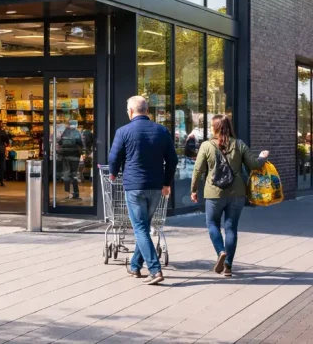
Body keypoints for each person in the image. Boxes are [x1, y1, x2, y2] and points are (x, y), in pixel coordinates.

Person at [109, 96, 177, 285]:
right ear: (147, 111)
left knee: (140, 228)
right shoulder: (162, 131)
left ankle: (155, 270)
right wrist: (166, 183)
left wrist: (113, 173)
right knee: (144, 227)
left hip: (134, 186)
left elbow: (114, 157)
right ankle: (135, 266)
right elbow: (173, 160)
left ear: (131, 111)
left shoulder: (123, 131)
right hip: (155, 186)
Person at [190, 114, 269, 277]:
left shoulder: (206, 146)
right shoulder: (239, 144)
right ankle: (228, 266)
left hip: (214, 192)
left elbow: (198, 170)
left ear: (215, 127)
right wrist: (262, 157)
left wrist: (193, 189)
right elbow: (254, 164)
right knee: (231, 227)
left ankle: (220, 251)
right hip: (237, 192)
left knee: (212, 223)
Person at [59, 124, 84, 199]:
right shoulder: (76, 133)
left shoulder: (64, 133)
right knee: (74, 174)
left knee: (67, 174)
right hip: (75, 157)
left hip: (66, 157)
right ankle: (76, 193)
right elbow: (81, 144)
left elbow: (60, 143)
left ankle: (67, 193)